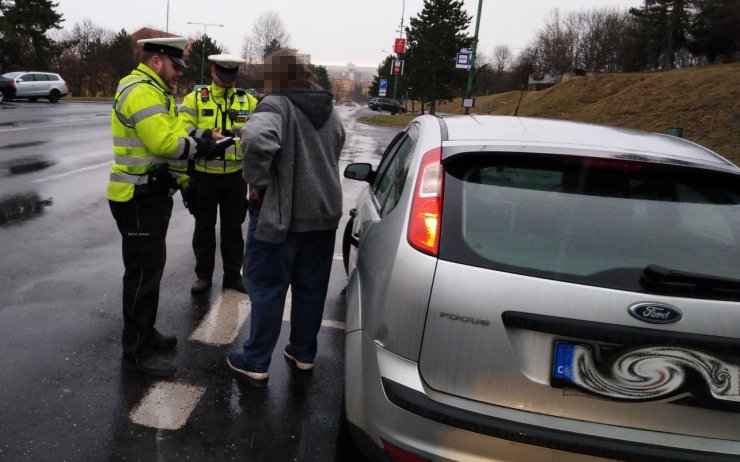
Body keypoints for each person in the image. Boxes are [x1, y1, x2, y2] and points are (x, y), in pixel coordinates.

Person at [226, 49, 345, 383]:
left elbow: (255, 138)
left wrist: (257, 183)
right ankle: (303, 352)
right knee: (311, 288)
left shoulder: (276, 104)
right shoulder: (328, 109)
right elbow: (336, 145)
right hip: (323, 214)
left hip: (282, 214)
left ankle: (256, 360)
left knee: (267, 286)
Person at [108, 37, 222, 377]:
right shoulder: (142, 91)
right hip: (138, 197)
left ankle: (146, 331)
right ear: (157, 61)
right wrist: (199, 149)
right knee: (142, 274)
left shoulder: (157, 92)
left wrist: (201, 137)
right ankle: (135, 351)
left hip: (151, 195)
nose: (178, 74)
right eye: (175, 67)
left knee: (151, 269)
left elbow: (175, 131)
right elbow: (164, 143)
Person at [180, 54, 257, 295]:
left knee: (233, 229)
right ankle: (203, 276)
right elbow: (182, 129)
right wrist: (206, 134)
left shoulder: (248, 102)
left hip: (235, 177)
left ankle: (233, 276)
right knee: (204, 229)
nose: (228, 83)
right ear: (213, 73)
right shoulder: (195, 99)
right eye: (223, 78)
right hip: (204, 176)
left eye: (231, 78)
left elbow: (260, 133)